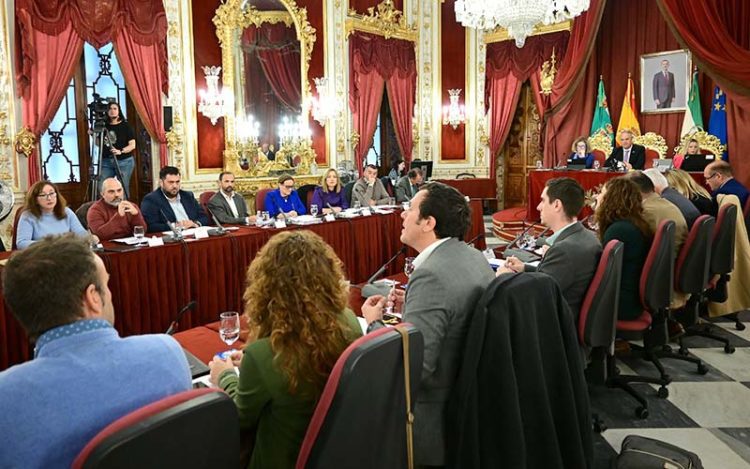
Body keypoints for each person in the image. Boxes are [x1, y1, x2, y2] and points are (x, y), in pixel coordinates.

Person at [0, 235, 191, 467]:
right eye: (107, 285)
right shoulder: (166, 351)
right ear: (93, 298)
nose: (110, 294)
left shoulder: (6, 397)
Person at [361, 182, 494, 466]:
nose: (402, 214)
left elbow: (414, 368)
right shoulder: (472, 256)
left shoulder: (431, 275)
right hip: (474, 397)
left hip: (430, 417)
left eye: (410, 208)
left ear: (428, 223)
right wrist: (413, 303)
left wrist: (374, 325)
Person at [208, 230, 361, 469]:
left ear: (266, 286)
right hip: (338, 452)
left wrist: (225, 376)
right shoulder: (349, 321)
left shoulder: (263, 355)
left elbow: (239, 419)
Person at [499, 178, 601, 323]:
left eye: (543, 201)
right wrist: (524, 268)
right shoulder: (588, 236)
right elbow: (552, 277)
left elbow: (536, 295)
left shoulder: (564, 250)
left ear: (557, 205)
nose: (538, 207)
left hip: (554, 324)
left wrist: (506, 277)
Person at [595, 178, 652, 320]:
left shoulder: (619, 230)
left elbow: (602, 273)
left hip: (620, 303)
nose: (597, 197)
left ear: (610, 199)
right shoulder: (633, 224)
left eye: (601, 193)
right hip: (630, 298)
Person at [16, 181, 94, 249]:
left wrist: (90, 238)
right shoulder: (28, 216)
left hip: (66, 253)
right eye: (43, 195)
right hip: (40, 255)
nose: (49, 198)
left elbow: (80, 233)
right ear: (35, 199)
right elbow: (22, 243)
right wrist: (49, 245)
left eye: (52, 193)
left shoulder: (66, 211)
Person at [629, 171, 687, 257]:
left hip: (665, 259)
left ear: (633, 192)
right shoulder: (665, 203)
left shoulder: (646, 210)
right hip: (671, 258)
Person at [141, 166, 210, 232]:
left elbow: (204, 217)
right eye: (171, 182)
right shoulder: (151, 200)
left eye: (177, 182)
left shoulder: (188, 196)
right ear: (161, 183)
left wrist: (195, 224)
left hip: (193, 233)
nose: (175, 186)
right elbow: (151, 226)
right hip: (172, 237)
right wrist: (175, 226)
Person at [100, 102, 136, 193]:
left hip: (124, 161)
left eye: (115, 108)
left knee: (122, 187)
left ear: (119, 111)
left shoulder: (126, 126)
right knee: (103, 186)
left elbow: (132, 145)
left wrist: (121, 151)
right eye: (110, 109)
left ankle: (122, 202)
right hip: (106, 161)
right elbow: (99, 144)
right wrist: (92, 134)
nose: (112, 111)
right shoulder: (104, 126)